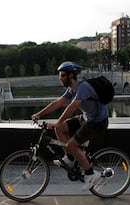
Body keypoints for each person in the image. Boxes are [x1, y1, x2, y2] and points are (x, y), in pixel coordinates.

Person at [31, 61, 109, 191]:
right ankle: (71, 158)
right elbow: (58, 102)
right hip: (86, 118)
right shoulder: (71, 89)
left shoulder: (82, 87)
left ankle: (91, 174)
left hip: (97, 122)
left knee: (71, 144)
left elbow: (72, 107)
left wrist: (57, 121)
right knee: (59, 129)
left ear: (70, 76)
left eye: (62, 75)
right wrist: (39, 114)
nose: (59, 78)